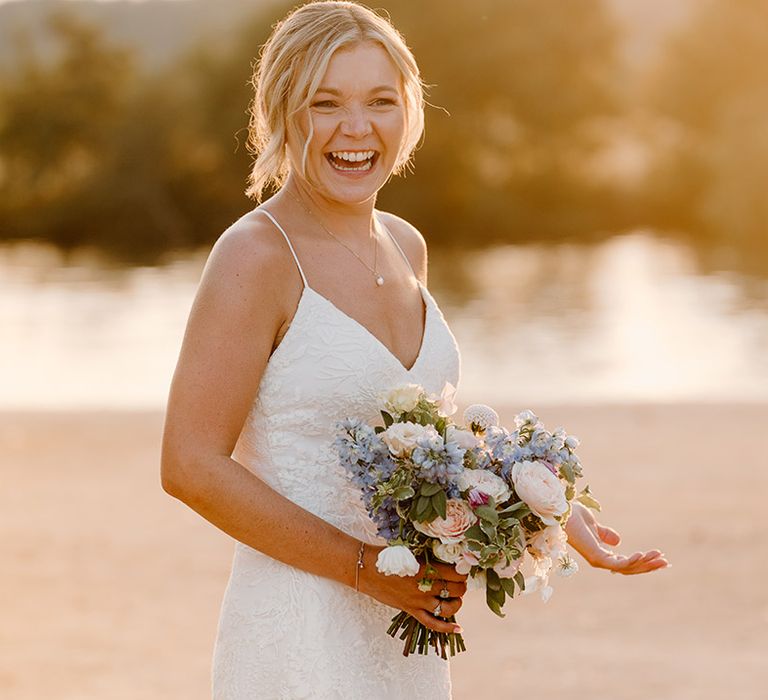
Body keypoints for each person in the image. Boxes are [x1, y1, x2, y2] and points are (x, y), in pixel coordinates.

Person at [160, 2, 669, 698]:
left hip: (411, 625)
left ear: (408, 111)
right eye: (326, 102)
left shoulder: (405, 246)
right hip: (297, 626)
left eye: (380, 101)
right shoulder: (255, 257)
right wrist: (365, 569)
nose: (357, 128)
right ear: (283, 110)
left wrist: (543, 506)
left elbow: (420, 435)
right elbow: (189, 464)